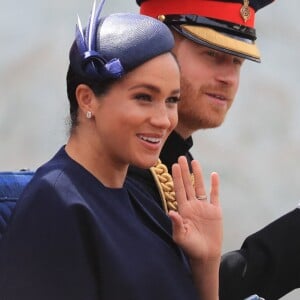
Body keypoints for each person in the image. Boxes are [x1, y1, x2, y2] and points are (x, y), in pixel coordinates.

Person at [0, 1, 223, 299]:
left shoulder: (141, 201)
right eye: (144, 97)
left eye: (171, 100)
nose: (163, 120)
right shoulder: (56, 203)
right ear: (87, 99)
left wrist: (205, 263)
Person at [128, 0, 300, 299]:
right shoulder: (123, 161)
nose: (229, 78)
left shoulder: (169, 159)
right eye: (212, 54)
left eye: (237, 61)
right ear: (154, 50)